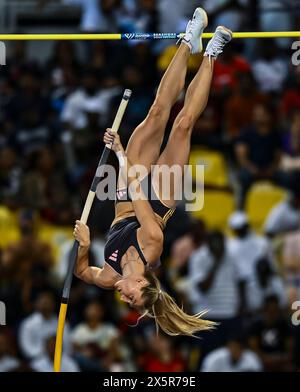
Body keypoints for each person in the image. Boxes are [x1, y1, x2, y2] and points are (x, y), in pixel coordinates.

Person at [73, 7, 233, 337]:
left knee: (158, 111)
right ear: (143, 282)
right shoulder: (153, 245)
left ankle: (189, 42)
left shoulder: (109, 275)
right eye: (133, 299)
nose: (125, 298)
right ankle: (211, 52)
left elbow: (81, 274)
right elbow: (137, 194)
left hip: (125, 195)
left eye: (127, 301)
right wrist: (118, 153)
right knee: (182, 125)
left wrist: (85, 248)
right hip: (158, 198)